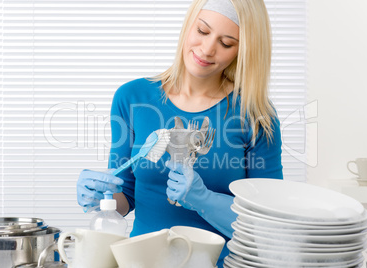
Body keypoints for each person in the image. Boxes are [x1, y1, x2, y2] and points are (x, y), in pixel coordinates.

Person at [77, 0, 283, 267]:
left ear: (243, 51)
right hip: (140, 261)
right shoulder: (132, 97)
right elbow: (125, 195)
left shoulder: (255, 115)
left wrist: (203, 199)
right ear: (189, 25)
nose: (207, 50)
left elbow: (269, 228)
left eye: (227, 43)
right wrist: (98, 195)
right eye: (202, 31)